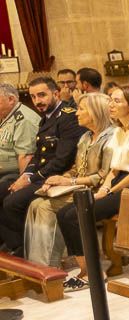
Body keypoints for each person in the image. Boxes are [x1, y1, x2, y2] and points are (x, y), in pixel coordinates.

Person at [57, 86, 129, 291]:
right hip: (120, 183)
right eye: (111, 101)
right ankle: (86, 269)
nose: (111, 105)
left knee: (77, 214)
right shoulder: (120, 131)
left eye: (117, 101)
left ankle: (93, 272)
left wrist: (110, 192)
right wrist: (103, 190)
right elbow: (114, 170)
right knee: (64, 214)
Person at [23, 92, 114, 268]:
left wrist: (71, 182)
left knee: (45, 206)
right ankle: (37, 263)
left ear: (95, 112)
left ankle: (48, 266)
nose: (76, 113)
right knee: (35, 203)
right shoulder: (86, 137)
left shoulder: (110, 138)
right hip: (78, 186)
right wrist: (60, 178)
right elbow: (76, 167)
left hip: (97, 191)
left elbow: (104, 175)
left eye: (81, 109)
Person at [0, 77, 86, 236]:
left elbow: (62, 160)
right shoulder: (47, 117)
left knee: (12, 202)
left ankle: (25, 247)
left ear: (56, 94)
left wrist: (30, 179)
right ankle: (15, 245)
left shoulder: (68, 118)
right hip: (42, 174)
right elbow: (38, 154)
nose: (37, 101)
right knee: (4, 192)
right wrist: (26, 175)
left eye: (42, 95)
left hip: (58, 176)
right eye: (33, 97)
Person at [0, 84, 39, 189]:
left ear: (11, 99)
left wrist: (20, 185)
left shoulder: (24, 120)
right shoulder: (6, 115)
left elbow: (26, 156)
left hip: (11, 175)